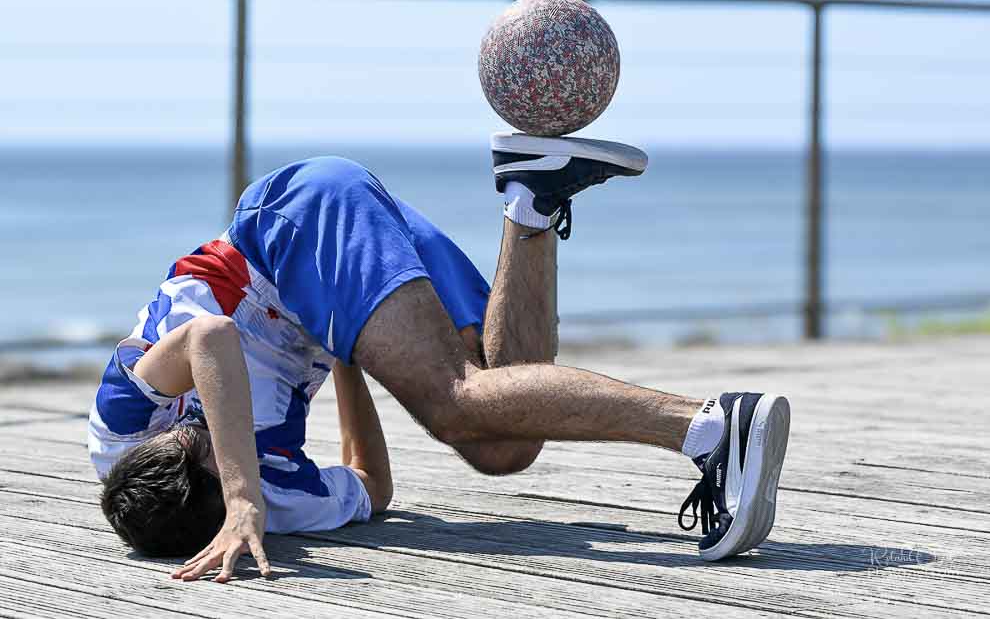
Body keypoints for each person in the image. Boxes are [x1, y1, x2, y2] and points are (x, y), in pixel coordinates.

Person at [90, 133, 791, 582]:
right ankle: (532, 194)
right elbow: (373, 484)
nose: (221, 435)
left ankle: (711, 427)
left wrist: (239, 493)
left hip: (298, 223)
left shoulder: (121, 429)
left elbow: (209, 341)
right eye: (221, 460)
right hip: (324, 293)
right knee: (501, 450)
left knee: (453, 399)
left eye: (199, 437)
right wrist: (345, 353)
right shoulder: (275, 509)